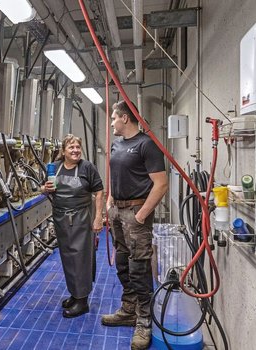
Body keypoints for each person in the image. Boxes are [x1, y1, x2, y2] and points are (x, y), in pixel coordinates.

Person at [101, 101, 168, 350]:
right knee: (122, 263)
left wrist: (141, 215)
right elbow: (114, 174)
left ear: (125, 118)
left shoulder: (147, 145)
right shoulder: (117, 144)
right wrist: (109, 202)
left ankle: (144, 319)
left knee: (139, 267)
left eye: (113, 118)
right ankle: (129, 309)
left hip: (135, 212)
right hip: (117, 211)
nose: (111, 123)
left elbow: (161, 184)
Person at [42, 134, 104, 318]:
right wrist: (44, 189)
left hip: (82, 218)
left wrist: (98, 217)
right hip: (61, 219)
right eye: (71, 147)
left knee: (81, 258)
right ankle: (75, 294)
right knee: (68, 257)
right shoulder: (55, 167)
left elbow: (99, 192)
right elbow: (44, 189)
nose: (76, 150)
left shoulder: (87, 168)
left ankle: (82, 301)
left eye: (78, 147)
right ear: (63, 151)